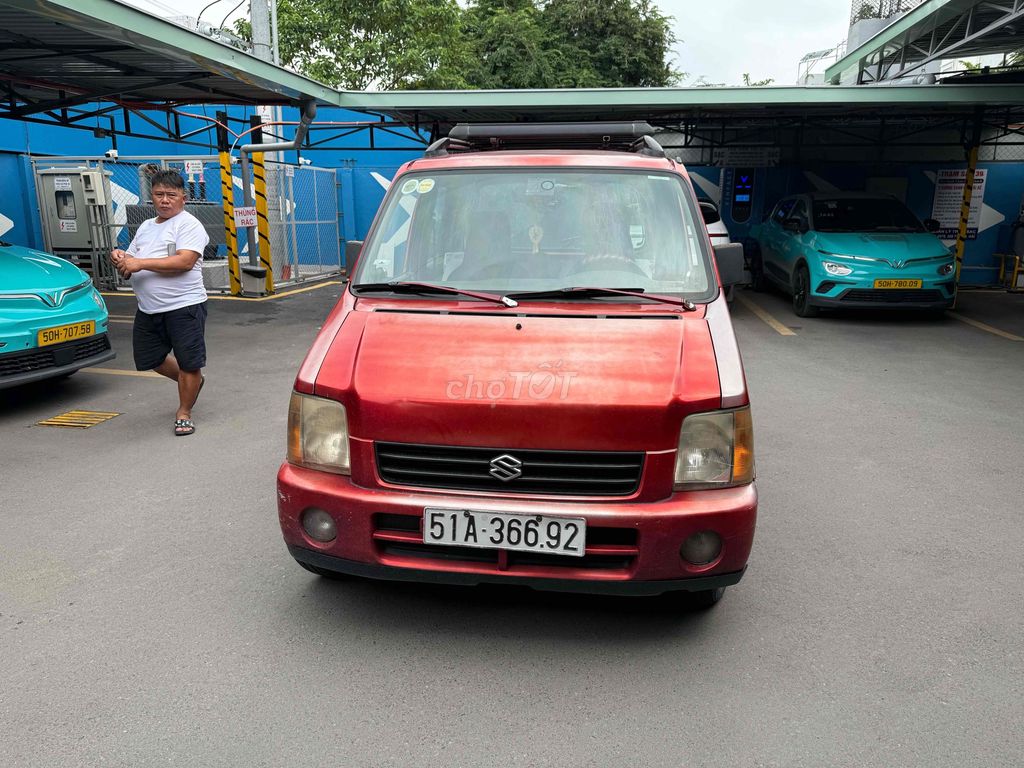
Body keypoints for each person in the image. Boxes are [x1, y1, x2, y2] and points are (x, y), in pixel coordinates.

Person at [110, 169, 210, 436]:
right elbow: (131, 258)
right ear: (151, 196)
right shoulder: (145, 227)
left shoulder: (188, 225)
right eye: (159, 194)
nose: (164, 200)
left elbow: (185, 261)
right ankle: (191, 382)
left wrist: (139, 263)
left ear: (183, 198)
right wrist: (121, 258)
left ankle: (184, 412)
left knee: (189, 362)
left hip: (184, 306)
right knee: (150, 358)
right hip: (149, 308)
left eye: (171, 195)